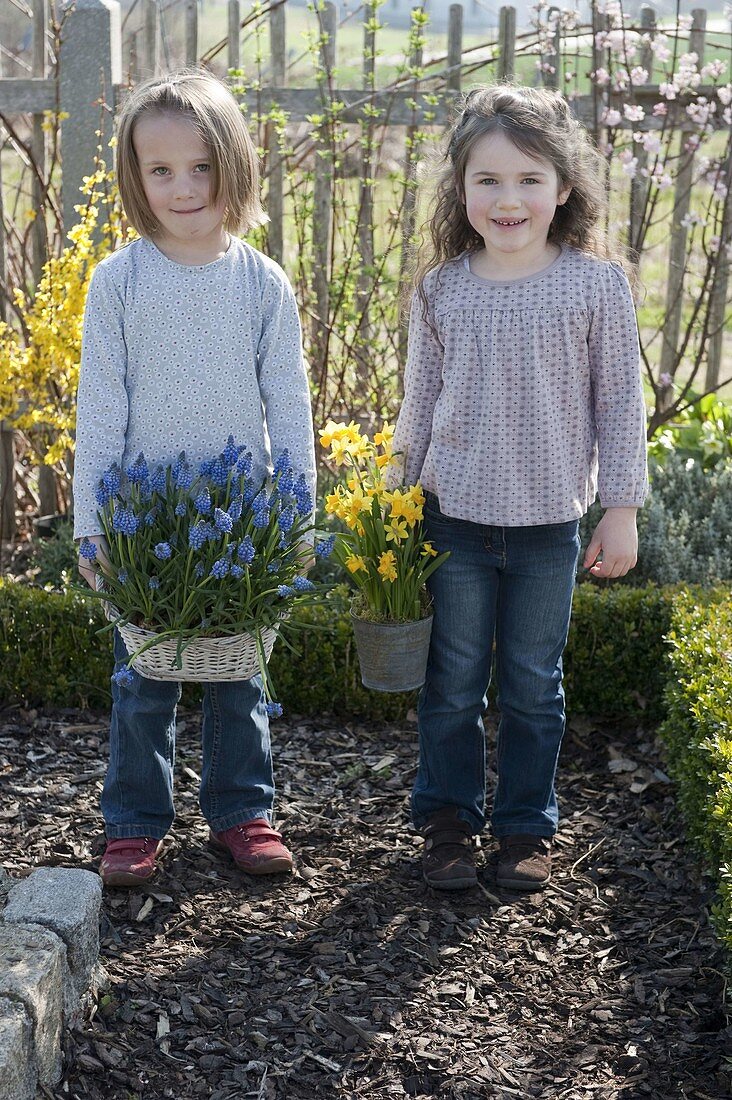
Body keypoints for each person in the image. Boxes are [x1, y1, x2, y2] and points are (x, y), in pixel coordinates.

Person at [391, 85, 648, 893]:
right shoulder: (442, 289)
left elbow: (620, 404)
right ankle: (446, 823)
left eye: (529, 179)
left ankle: (526, 826)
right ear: (460, 190)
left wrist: (622, 510)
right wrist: (392, 506)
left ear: (564, 188)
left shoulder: (594, 287)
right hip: (454, 521)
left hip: (548, 529)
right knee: (454, 681)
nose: (508, 199)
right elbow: (418, 401)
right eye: (488, 181)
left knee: (535, 685)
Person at [73, 70, 315, 887]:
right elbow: (100, 411)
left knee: (238, 675)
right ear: (135, 177)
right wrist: (90, 526)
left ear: (236, 166)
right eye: (160, 169)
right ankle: (134, 824)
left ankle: (243, 812)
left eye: (202, 166)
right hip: (145, 528)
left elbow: (289, 408)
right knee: (142, 678)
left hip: (238, 521)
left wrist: (299, 522)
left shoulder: (261, 284)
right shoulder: (118, 284)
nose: (182, 187)